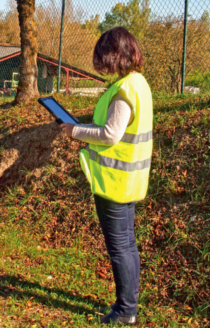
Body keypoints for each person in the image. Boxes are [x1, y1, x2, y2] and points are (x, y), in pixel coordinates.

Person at [61, 27, 153, 326]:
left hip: (114, 183)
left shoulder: (124, 90)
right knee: (127, 244)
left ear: (116, 55)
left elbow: (111, 134)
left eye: (103, 57)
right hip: (127, 180)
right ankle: (130, 304)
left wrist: (74, 130)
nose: (100, 64)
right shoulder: (138, 83)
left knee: (120, 248)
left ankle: (126, 310)